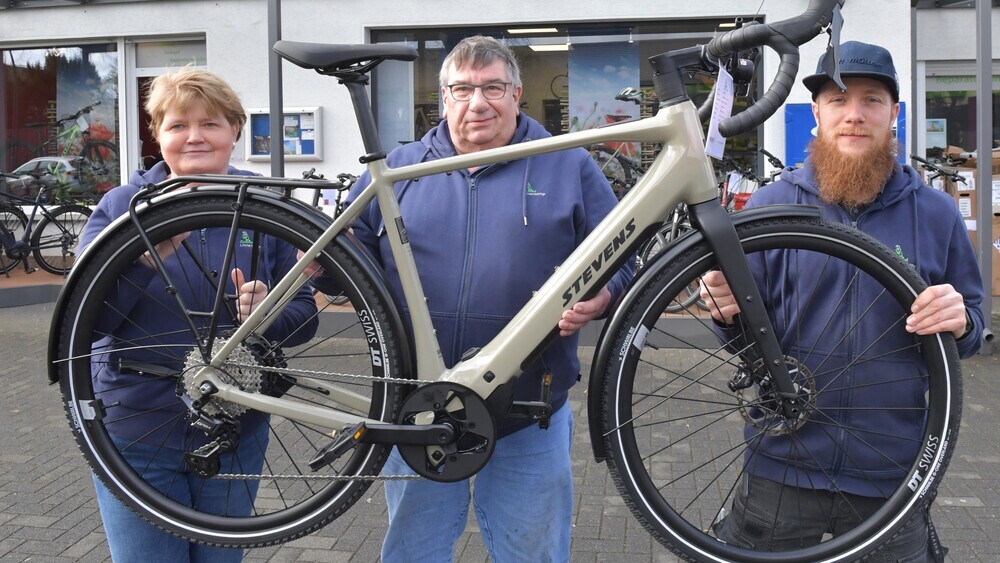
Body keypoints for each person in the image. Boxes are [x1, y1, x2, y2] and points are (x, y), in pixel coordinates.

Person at [338, 36, 633, 561]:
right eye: (463, 89)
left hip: (528, 413)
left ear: (517, 93)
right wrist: (315, 272)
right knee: (413, 552)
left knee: (533, 553)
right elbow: (345, 267)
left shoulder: (567, 165)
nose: (478, 102)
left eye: (493, 87)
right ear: (443, 97)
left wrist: (608, 292)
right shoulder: (399, 169)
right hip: (418, 409)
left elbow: (626, 254)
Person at [702, 41, 985, 560]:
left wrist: (961, 321)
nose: (854, 115)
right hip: (781, 466)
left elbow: (971, 328)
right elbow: (748, 342)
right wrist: (727, 313)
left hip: (893, 473)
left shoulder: (937, 212)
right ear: (816, 112)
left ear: (894, 114)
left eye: (871, 100)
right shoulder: (771, 206)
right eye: (837, 100)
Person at [78, 67, 319, 562]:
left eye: (210, 123)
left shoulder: (267, 208)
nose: (194, 137)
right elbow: (84, 324)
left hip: (236, 426)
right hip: (136, 429)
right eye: (177, 125)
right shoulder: (122, 207)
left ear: (235, 130)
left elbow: (305, 317)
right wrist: (144, 262)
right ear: (158, 135)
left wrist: (268, 311)